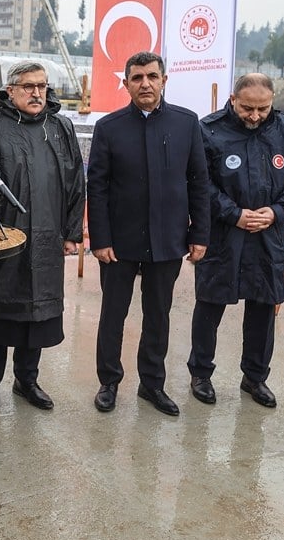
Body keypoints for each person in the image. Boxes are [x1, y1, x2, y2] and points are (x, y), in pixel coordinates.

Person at [86, 51, 210, 417]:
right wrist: (101, 239)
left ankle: (152, 384)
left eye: (152, 76)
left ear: (164, 80)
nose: (145, 84)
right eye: (137, 78)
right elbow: (98, 187)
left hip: (168, 239)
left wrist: (199, 233)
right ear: (125, 84)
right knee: (113, 314)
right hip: (119, 242)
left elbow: (199, 182)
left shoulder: (187, 124)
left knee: (159, 314)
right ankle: (108, 382)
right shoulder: (109, 128)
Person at [188, 73, 284, 408]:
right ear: (232, 99)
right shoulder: (209, 130)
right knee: (210, 303)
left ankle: (255, 377)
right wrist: (233, 213)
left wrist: (276, 212)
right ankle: (201, 373)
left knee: (263, 308)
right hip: (224, 233)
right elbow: (200, 183)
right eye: (247, 108)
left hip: (267, 234)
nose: (255, 116)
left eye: (262, 109)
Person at [0, 61, 85, 413]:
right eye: (29, 86)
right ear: (11, 90)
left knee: (36, 314)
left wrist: (71, 232)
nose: (37, 93)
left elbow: (75, 181)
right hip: (1, 238)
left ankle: (27, 380)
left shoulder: (60, 126)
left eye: (42, 86)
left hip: (47, 236)